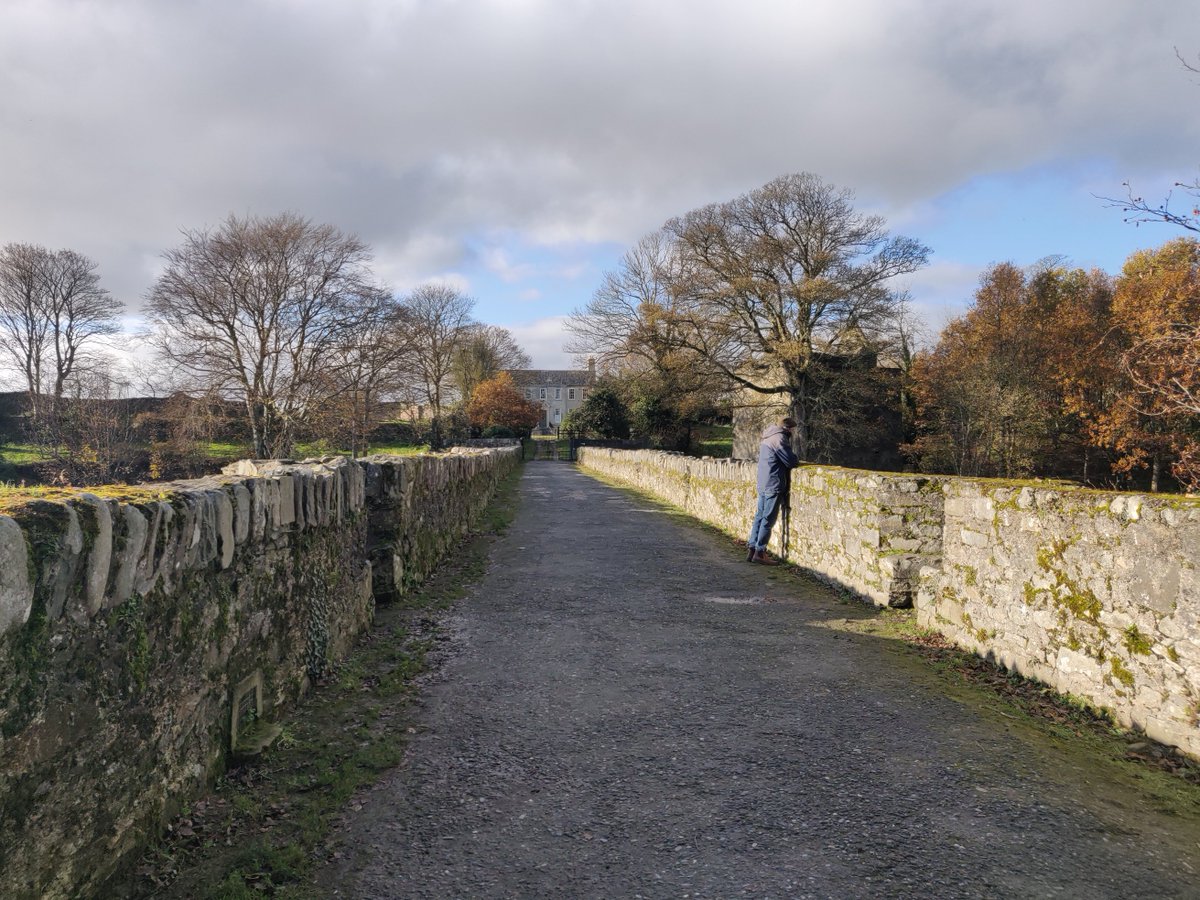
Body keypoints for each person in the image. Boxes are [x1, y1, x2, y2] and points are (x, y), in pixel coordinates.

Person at [747, 416, 800, 565]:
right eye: (792, 430)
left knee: (759, 516)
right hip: (773, 482)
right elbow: (790, 461)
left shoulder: (768, 437)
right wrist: (795, 458)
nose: (793, 432)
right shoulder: (779, 439)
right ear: (788, 428)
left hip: (763, 482)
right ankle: (760, 552)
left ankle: (752, 549)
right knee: (768, 519)